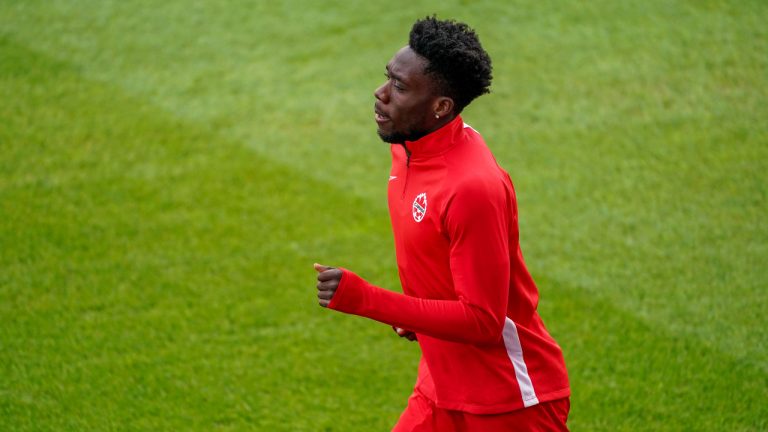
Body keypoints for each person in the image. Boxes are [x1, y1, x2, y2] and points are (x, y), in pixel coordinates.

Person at [314, 16, 570, 431]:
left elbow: (484, 321)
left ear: (440, 107)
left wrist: (365, 299)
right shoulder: (410, 148)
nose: (380, 96)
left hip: (509, 403)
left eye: (399, 87)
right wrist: (416, 315)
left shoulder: (472, 187)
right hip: (440, 387)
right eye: (387, 79)